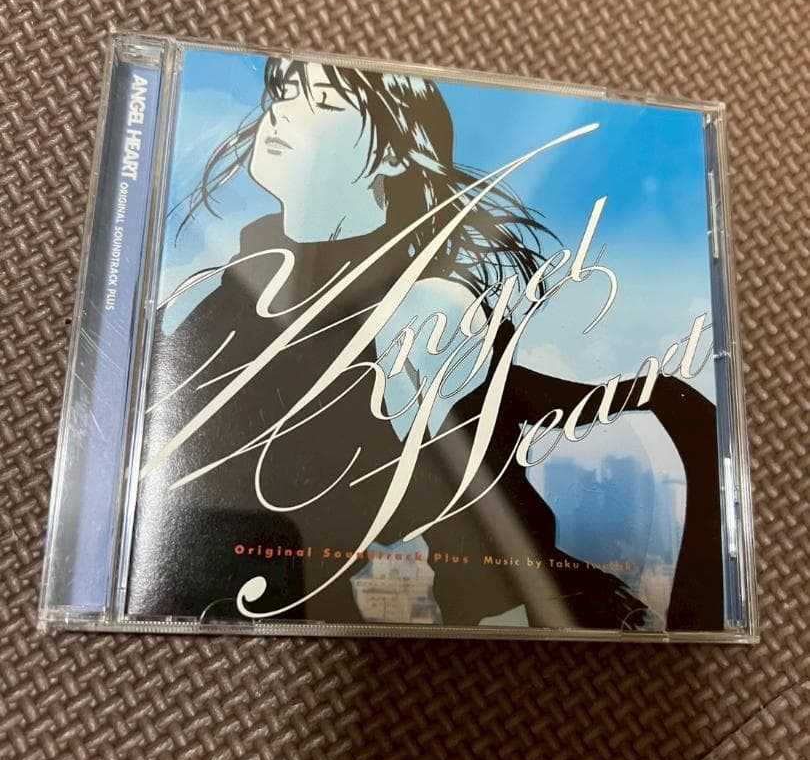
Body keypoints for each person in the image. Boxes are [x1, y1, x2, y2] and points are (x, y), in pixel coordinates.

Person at [125, 55, 723, 632]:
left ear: (392, 154)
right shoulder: (233, 286)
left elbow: (479, 534)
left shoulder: (425, 310)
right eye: (283, 92)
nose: (280, 111)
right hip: (197, 606)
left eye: (323, 102)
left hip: (269, 630)